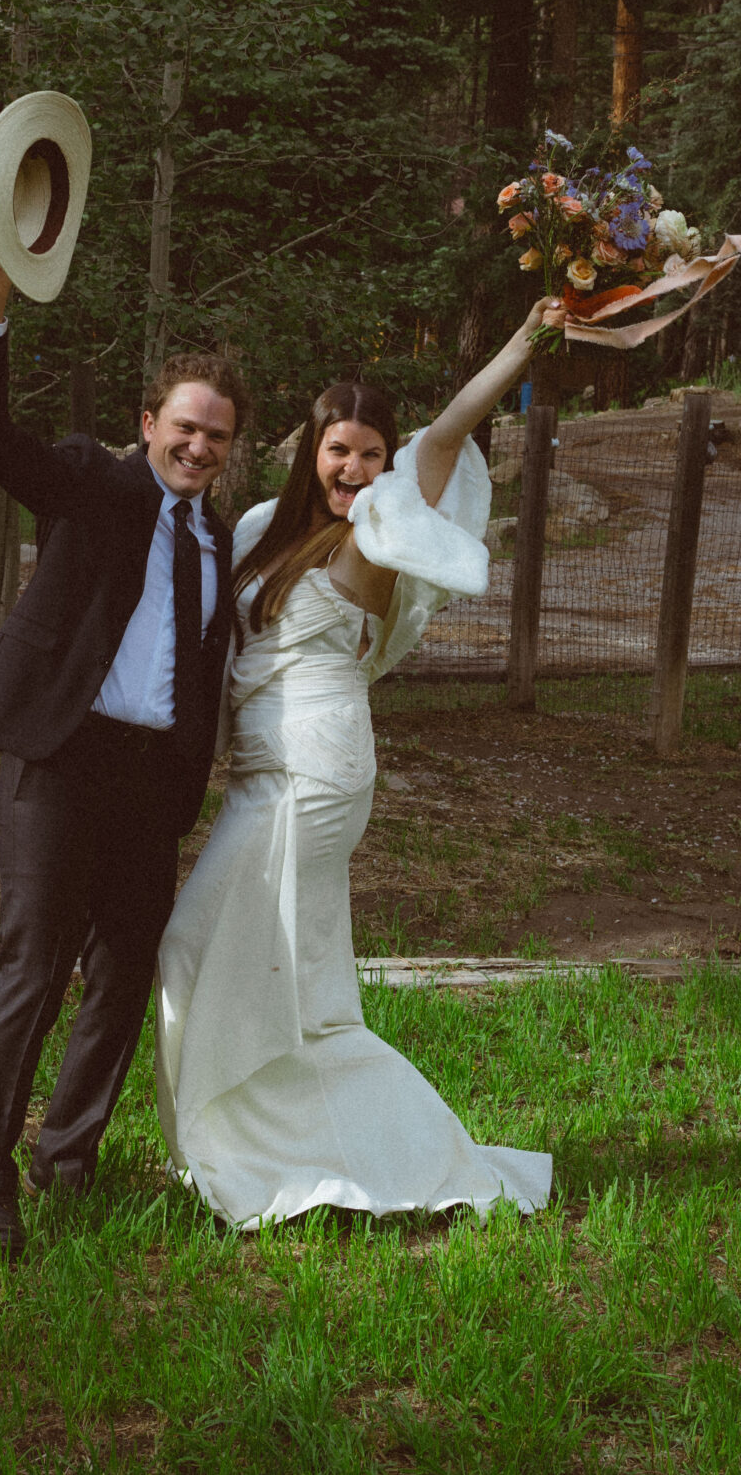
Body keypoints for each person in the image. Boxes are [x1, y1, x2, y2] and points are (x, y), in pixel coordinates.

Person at [154, 301, 564, 1231]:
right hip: (264, 771)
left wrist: (524, 338)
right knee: (275, 982)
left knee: (198, 951)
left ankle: (287, 1158)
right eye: (337, 450)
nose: (352, 468)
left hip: (314, 772)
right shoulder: (271, 529)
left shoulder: (380, 529)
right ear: (312, 453)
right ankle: (287, 1149)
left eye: (370, 453)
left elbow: (452, 428)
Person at [0, 223, 245, 1260]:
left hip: (148, 785)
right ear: (148, 423)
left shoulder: (219, 539)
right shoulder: (91, 481)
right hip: (61, 765)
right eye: (184, 428)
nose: (197, 447)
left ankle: (66, 1157)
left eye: (215, 436)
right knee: (31, 970)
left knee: (124, 976)